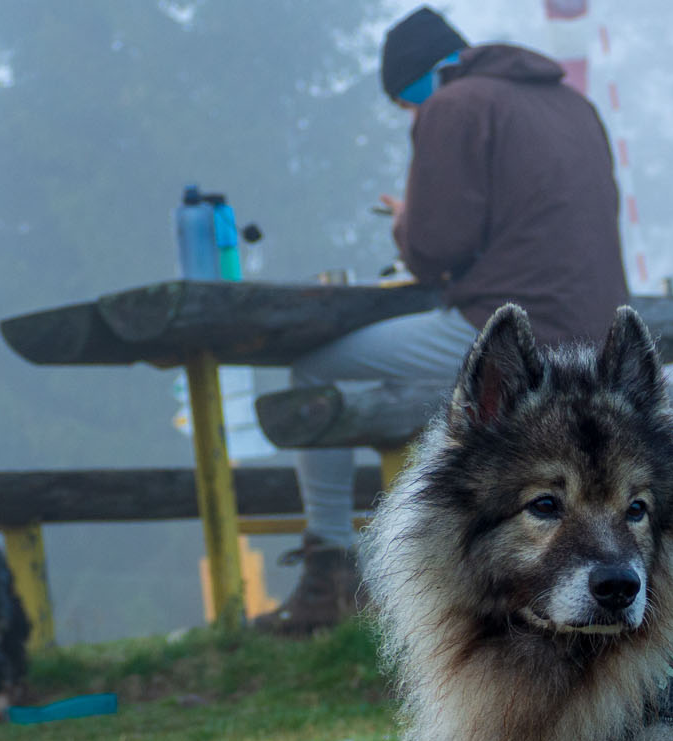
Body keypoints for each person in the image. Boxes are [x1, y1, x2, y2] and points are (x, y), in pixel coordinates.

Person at [256, 5, 631, 635]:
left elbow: (434, 246)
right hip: (598, 340)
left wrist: (404, 217)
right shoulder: (572, 104)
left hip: (513, 330)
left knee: (315, 370)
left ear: (422, 78)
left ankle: (330, 565)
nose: (410, 112)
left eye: (406, 100)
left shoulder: (451, 106)